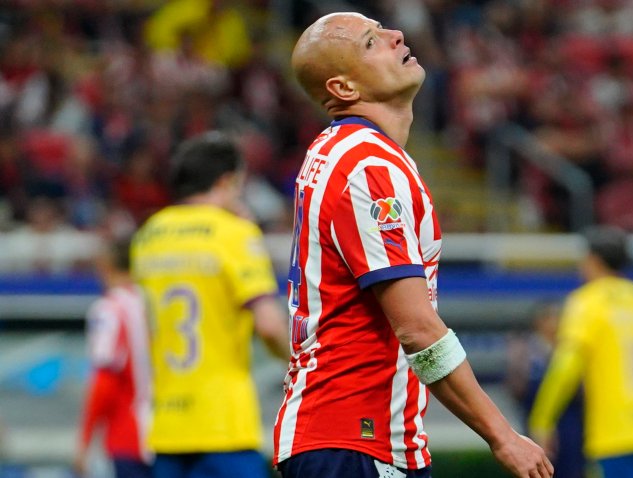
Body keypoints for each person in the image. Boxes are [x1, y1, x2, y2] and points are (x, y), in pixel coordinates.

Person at [272, 12, 553, 478]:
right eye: (370, 42)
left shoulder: (344, 151)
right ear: (343, 89)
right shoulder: (368, 165)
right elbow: (418, 329)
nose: (394, 35)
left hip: (351, 436)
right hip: (354, 437)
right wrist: (503, 436)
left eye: (383, 28)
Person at [131, 132, 290, 478]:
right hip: (224, 424)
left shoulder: (147, 236)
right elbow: (269, 324)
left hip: (167, 427)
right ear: (226, 180)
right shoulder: (233, 233)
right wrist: (295, 363)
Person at [528, 227, 633, 478]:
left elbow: (566, 365)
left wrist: (542, 420)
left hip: (612, 435)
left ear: (593, 260)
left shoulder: (587, 303)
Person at [75, 237, 152, 478]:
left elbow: (105, 380)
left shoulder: (110, 310)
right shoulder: (155, 304)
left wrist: (84, 442)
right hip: (172, 431)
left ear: (105, 266)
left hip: (129, 436)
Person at [506, 302, 585, 478]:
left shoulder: (571, 349)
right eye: (549, 318)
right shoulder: (526, 349)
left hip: (569, 423)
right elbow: (516, 387)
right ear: (538, 322)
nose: (554, 323)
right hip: (534, 419)